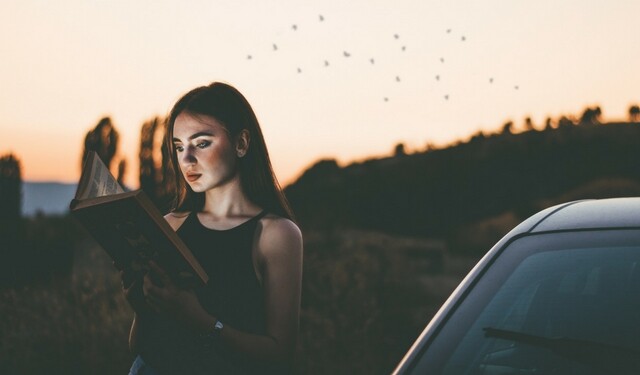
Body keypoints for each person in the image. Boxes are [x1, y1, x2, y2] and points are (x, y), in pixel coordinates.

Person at [122, 82, 303, 374]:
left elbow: (280, 355)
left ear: (241, 144)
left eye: (202, 143)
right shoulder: (169, 225)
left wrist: (198, 320)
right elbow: (140, 348)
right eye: (179, 147)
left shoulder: (276, 235)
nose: (186, 159)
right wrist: (141, 311)